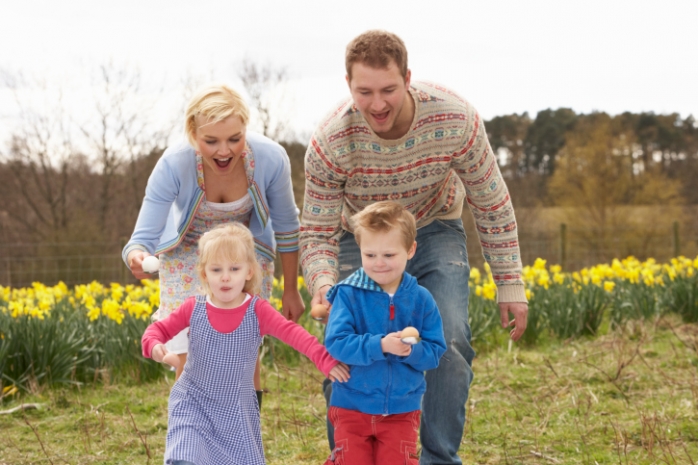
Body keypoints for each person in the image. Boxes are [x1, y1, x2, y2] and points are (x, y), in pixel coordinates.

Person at [300, 30, 529, 464]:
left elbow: (491, 202)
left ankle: (437, 457)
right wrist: (323, 283)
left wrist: (510, 283)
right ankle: (351, 455)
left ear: (408, 78)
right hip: (361, 240)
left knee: (451, 335)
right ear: (348, 85)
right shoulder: (330, 142)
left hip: (433, 226)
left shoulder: (454, 119)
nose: (378, 103)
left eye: (388, 89)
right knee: (344, 342)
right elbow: (316, 230)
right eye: (364, 92)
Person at [123, 83, 306, 407]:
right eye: (212, 141)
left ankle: (243, 439)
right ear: (193, 134)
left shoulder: (270, 158)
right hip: (187, 259)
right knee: (189, 356)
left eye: (235, 139)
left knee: (245, 352)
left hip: (242, 258)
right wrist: (137, 257)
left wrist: (290, 289)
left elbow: (288, 228)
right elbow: (142, 237)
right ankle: (189, 442)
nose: (224, 150)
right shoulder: (173, 165)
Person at [142, 223, 350, 465]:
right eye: (216, 269)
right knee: (185, 457)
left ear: (249, 271)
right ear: (204, 274)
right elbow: (157, 330)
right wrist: (155, 346)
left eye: (234, 268)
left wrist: (325, 361)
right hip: (193, 402)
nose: (226, 276)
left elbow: (295, 335)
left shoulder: (257, 311)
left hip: (236, 412)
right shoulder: (193, 307)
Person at [322, 201, 447, 465]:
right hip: (351, 407)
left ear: (410, 250)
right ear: (360, 250)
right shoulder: (348, 294)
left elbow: (435, 351)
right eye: (370, 255)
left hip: (402, 410)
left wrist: (411, 351)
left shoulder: (421, 299)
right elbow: (336, 343)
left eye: (389, 255)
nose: (379, 264)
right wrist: (380, 345)